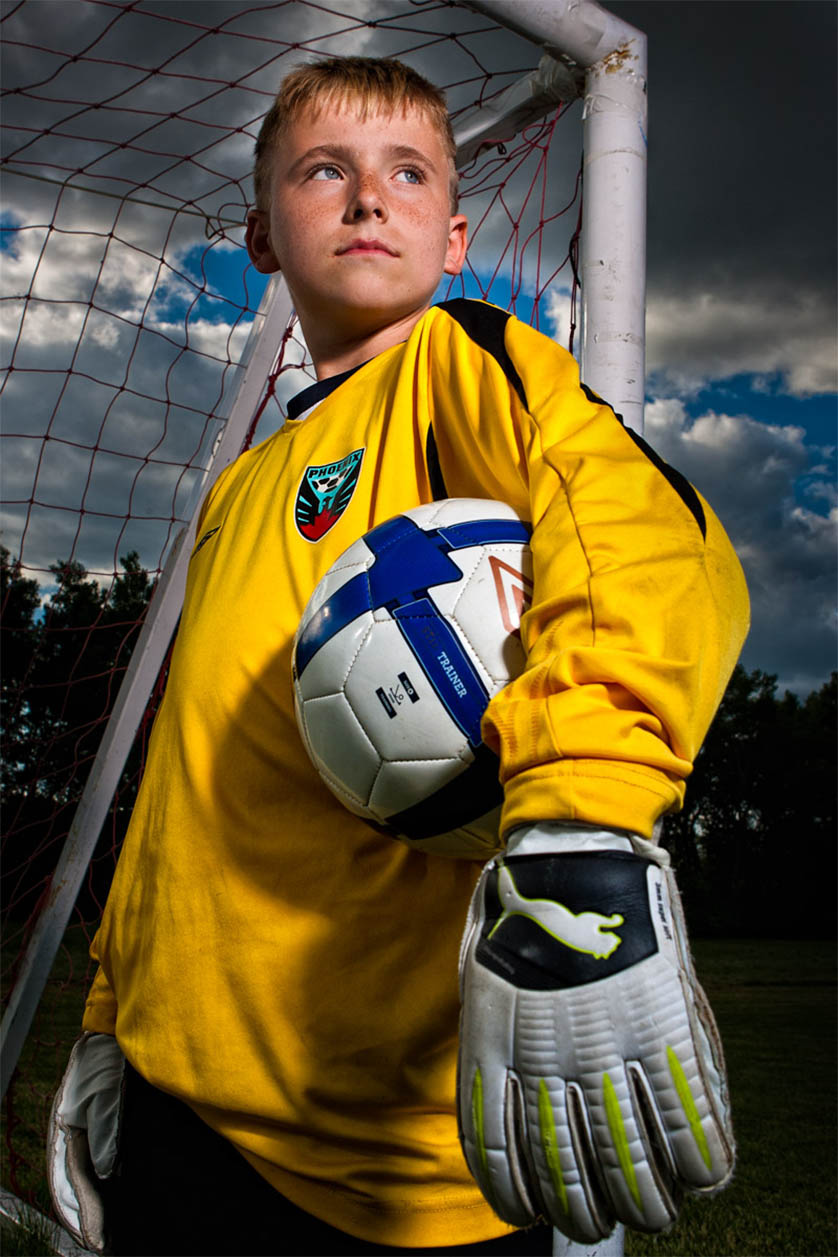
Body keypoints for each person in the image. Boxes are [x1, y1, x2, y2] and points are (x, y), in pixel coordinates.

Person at [46, 56, 749, 1257]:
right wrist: (113, 1014)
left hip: (382, 1174)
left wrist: (583, 813)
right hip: (179, 1109)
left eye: (407, 172)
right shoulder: (243, 487)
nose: (370, 198)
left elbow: (645, 529)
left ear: (455, 233)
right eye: (327, 171)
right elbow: (185, 782)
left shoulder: (453, 365)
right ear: (261, 233)